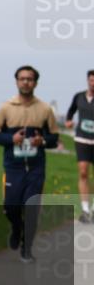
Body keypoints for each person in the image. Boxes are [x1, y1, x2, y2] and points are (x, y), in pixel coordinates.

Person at [0, 65, 60, 263]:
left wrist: (42, 141)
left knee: (31, 208)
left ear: (35, 83)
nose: (26, 82)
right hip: (13, 167)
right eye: (22, 79)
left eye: (30, 79)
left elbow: (54, 137)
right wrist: (12, 138)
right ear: (17, 82)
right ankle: (16, 228)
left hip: (36, 168)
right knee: (11, 207)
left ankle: (26, 249)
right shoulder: (6, 107)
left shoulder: (45, 109)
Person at [65, 69, 94, 223]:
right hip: (82, 139)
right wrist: (69, 120)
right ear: (88, 81)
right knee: (83, 172)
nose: (93, 83)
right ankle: (85, 209)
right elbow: (70, 112)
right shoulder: (79, 97)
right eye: (91, 80)